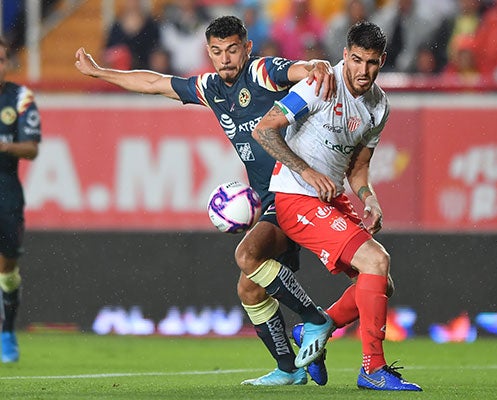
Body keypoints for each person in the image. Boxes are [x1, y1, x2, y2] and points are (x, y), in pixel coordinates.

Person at [75, 15, 335, 386]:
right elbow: (153, 82)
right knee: (249, 288)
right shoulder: (211, 88)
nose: (225, 59)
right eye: (216, 52)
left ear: (246, 48)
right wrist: (100, 72)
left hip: (296, 191)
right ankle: (290, 369)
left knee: (247, 256)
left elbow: (297, 70)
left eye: (232, 50)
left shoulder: (261, 72)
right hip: (269, 197)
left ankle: (315, 321)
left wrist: (315, 65)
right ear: (208, 53)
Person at [251, 21, 422, 391]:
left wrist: (368, 197)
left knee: (380, 283)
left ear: (382, 62)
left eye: (372, 63)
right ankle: (372, 369)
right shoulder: (319, 83)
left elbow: (358, 168)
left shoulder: (379, 106)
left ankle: (319, 325)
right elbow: (264, 129)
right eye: (356, 60)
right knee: (376, 261)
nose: (363, 71)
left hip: (330, 197)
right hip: (295, 196)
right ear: (345, 55)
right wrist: (307, 172)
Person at [0, 36, 42, 363]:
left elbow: (31, 148)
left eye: (1, 59)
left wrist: (4, 147)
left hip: (6, 188)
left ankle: (7, 331)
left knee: (8, 268)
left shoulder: (20, 98)